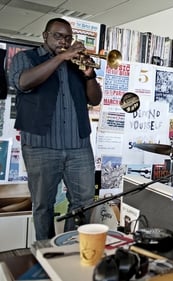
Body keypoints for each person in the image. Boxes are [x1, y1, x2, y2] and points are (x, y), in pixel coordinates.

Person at [9, 18, 102, 240]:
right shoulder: (25, 58)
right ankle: (46, 251)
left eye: (68, 37)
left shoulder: (76, 63)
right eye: (58, 36)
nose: (64, 41)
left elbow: (95, 99)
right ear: (45, 36)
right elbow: (23, 83)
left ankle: (68, 246)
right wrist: (61, 57)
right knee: (43, 205)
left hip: (78, 144)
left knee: (84, 202)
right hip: (41, 144)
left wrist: (89, 76)